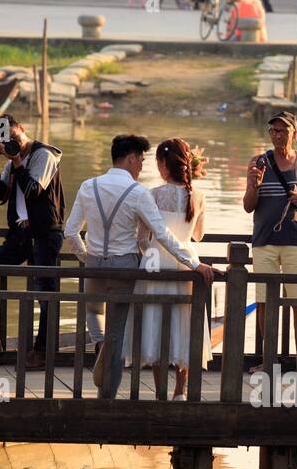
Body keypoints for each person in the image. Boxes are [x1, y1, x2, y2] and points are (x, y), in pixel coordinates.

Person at [63, 134, 213, 399]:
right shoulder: (138, 192)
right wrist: (193, 263)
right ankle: (107, 393)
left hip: (95, 266)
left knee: (94, 311)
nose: (142, 165)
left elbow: (71, 233)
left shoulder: (89, 186)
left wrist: (87, 259)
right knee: (118, 333)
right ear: (131, 157)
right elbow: (163, 235)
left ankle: (99, 342)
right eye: (141, 160)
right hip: (126, 268)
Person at [124, 138, 212, 400]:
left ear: (163, 164)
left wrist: (149, 250)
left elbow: (141, 237)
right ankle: (180, 392)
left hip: (154, 263)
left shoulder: (152, 195)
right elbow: (198, 235)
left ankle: (160, 392)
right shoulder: (198, 196)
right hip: (188, 264)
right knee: (184, 325)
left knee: (154, 325)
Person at [0, 114, 66, 369]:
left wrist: (16, 162)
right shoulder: (8, 163)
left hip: (45, 235)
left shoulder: (44, 155)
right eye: (5, 142)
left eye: (14, 138)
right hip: (20, 236)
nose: (11, 145)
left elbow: (33, 190)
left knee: (45, 291)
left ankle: (42, 352)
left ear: (22, 129)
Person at [243, 111, 297, 371]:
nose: (278, 135)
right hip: (264, 240)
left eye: (283, 131)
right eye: (274, 131)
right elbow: (247, 206)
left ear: (294, 133)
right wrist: (254, 186)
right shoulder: (258, 162)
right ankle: (268, 360)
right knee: (266, 301)